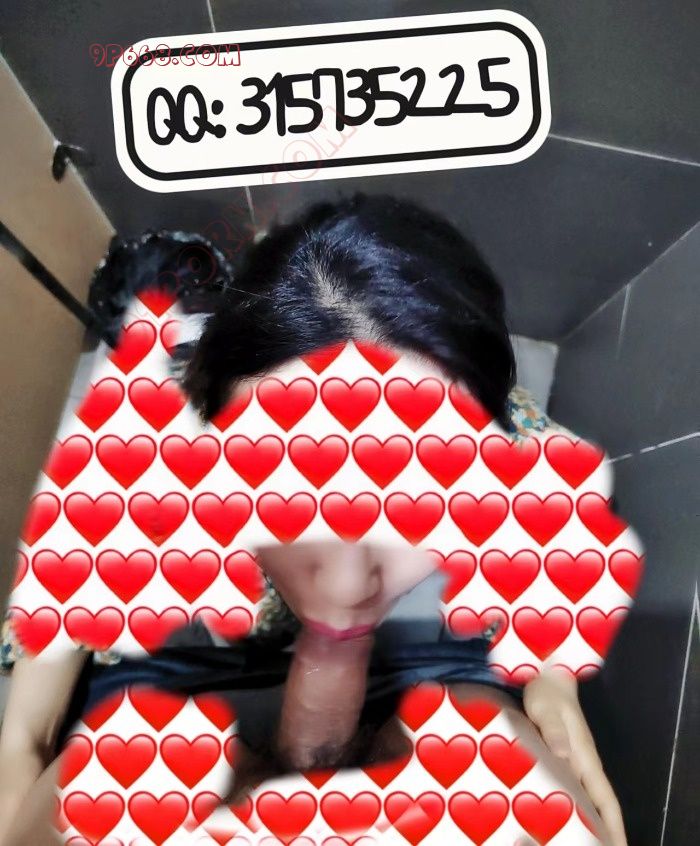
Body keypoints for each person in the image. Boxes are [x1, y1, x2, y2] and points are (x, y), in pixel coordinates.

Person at [0, 195, 637, 845]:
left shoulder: (509, 440)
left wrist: (552, 682)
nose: (345, 582)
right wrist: (20, 756)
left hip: (417, 671)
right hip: (186, 671)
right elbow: (32, 706)